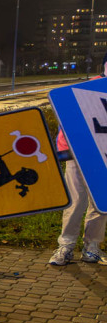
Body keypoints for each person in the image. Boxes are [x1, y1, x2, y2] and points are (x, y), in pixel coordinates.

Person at [49, 56, 107, 266]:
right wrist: (68, 150)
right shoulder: (86, 89)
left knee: (100, 203)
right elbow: (69, 120)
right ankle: (65, 246)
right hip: (78, 154)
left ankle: (92, 248)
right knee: (76, 201)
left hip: (104, 155)